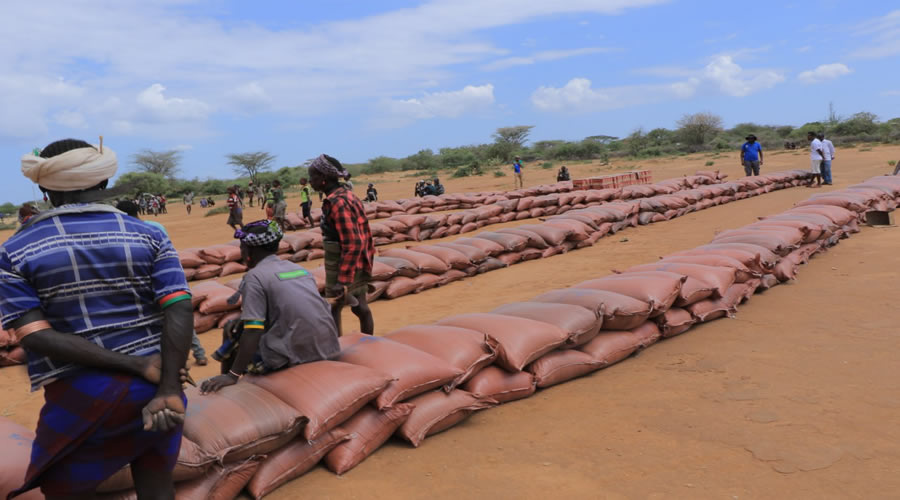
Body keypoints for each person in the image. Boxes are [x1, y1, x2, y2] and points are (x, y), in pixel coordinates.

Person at [2, 138, 192, 498]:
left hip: (86, 395)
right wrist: (167, 386)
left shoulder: (14, 251)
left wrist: (137, 366)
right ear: (103, 181)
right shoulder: (151, 235)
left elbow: (34, 336)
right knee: (156, 478)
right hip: (160, 384)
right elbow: (179, 307)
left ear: (43, 187)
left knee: (63, 488)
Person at [200, 220, 340, 393]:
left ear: (251, 250)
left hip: (295, 356)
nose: (241, 252)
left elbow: (254, 330)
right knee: (241, 324)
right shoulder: (298, 269)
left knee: (234, 330)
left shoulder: (255, 277)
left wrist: (232, 374)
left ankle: (229, 383)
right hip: (328, 347)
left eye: (242, 247)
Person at [116, 200, 209, 366]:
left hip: (144, 284)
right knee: (178, 316)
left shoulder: (122, 234)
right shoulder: (155, 226)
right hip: (168, 279)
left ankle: (170, 360)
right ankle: (199, 353)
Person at [307, 154, 375, 335]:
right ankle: (368, 343)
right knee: (360, 307)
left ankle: (336, 349)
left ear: (323, 178)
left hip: (343, 262)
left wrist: (342, 280)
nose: (309, 181)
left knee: (335, 306)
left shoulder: (337, 203)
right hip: (358, 261)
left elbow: (353, 242)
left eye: (312, 177)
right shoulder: (347, 195)